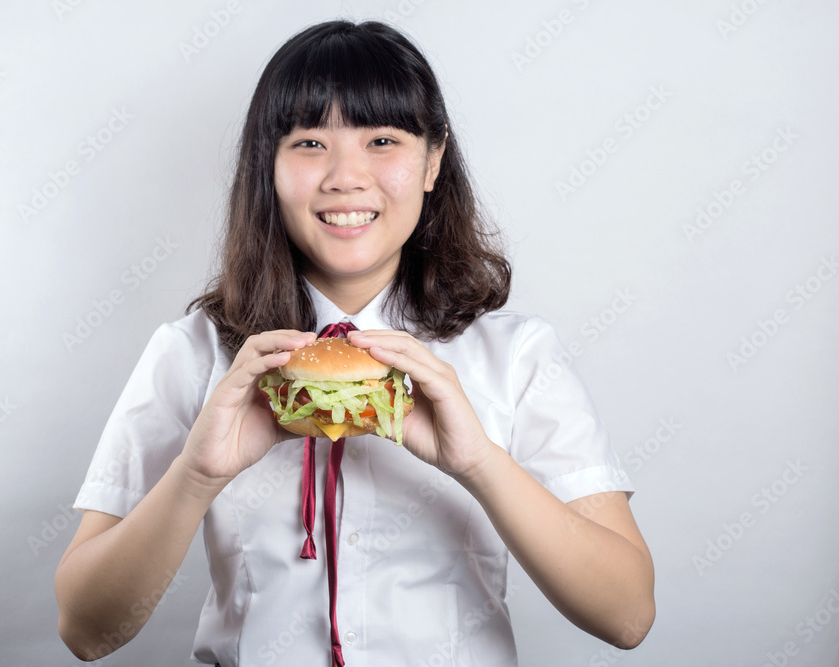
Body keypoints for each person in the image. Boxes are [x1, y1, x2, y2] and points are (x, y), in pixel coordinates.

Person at [55, 19, 655, 666]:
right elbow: (86, 630)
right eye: (310, 142)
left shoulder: (517, 356)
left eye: (382, 140)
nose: (345, 177)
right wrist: (197, 476)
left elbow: (627, 615)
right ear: (267, 165)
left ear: (433, 161)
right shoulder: (193, 352)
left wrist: (480, 462)